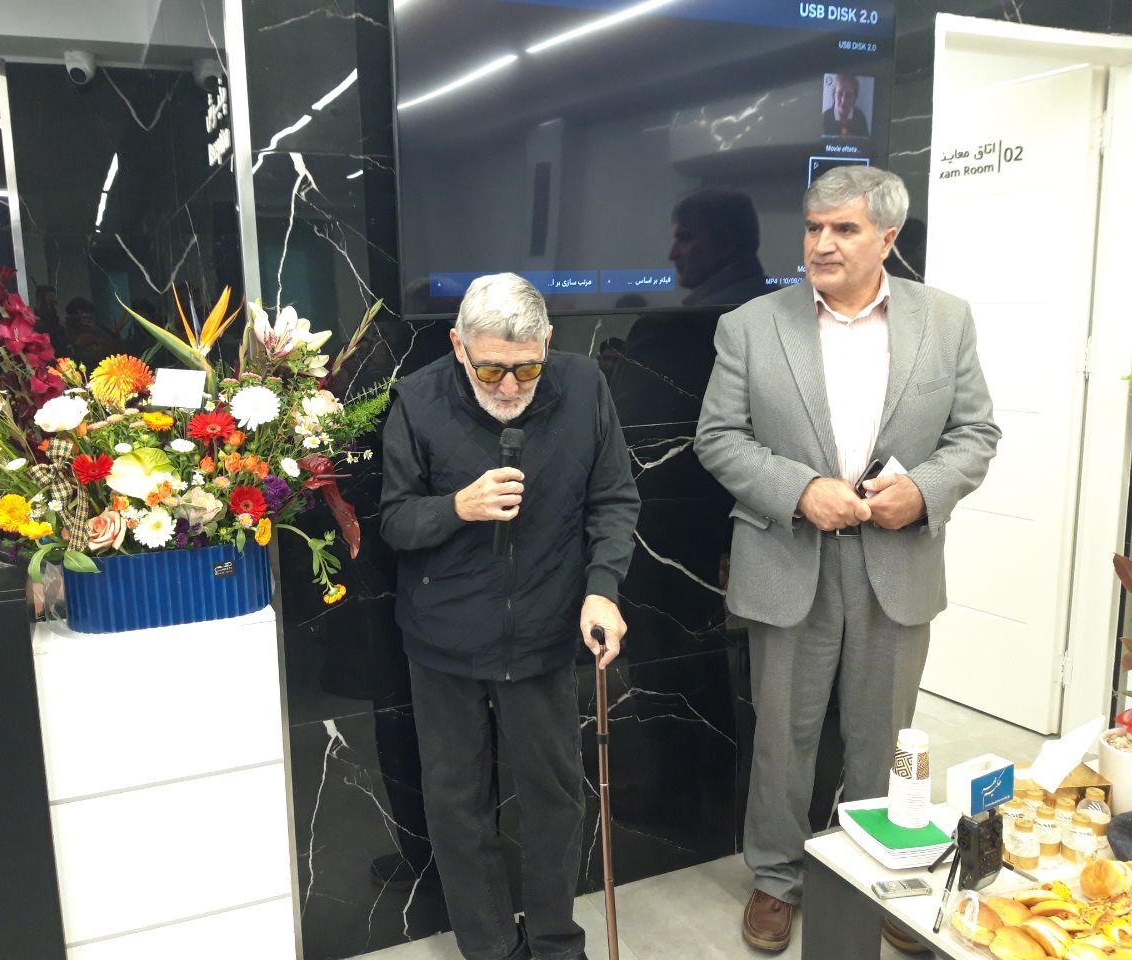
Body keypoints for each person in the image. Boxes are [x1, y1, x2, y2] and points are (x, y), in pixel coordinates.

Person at [695, 166, 999, 954]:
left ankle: (881, 874)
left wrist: (924, 491)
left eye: (844, 229)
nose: (821, 244)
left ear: (886, 238)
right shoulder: (751, 325)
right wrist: (800, 490)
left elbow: (975, 434)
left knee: (884, 737)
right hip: (787, 559)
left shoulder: (945, 319)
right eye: (813, 228)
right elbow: (717, 438)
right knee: (783, 738)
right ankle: (776, 878)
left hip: (897, 563)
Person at [379, 273, 640, 960]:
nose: (508, 387)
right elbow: (395, 521)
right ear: (457, 346)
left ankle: (556, 943)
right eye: (490, 368)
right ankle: (491, 948)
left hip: (546, 629)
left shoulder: (583, 387)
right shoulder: (418, 400)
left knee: (555, 799)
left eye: (527, 368)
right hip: (444, 637)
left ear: (548, 342)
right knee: (458, 807)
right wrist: (456, 507)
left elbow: (614, 499)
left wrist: (603, 589)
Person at [668, 189, 769, 307]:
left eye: (685, 239)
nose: (672, 255)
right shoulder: (775, 299)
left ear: (725, 244)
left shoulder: (710, 313)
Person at [822, 73, 870, 139]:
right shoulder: (825, 118)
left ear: (855, 97)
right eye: (840, 94)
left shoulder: (860, 118)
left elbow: (866, 143)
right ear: (834, 94)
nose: (843, 100)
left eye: (848, 95)